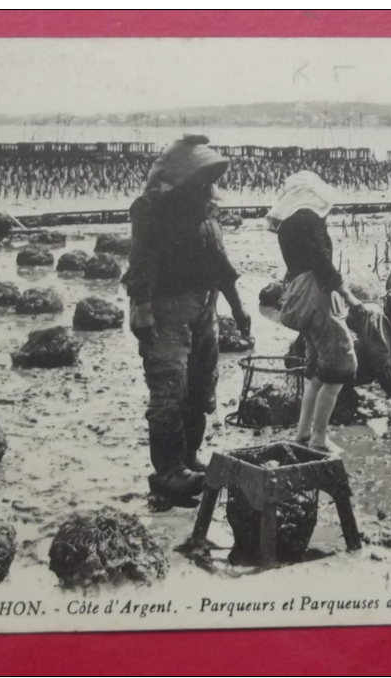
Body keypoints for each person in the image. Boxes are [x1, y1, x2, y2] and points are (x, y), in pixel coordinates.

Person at [123, 134, 251, 509]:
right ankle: (166, 472)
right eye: (200, 180)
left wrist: (237, 307)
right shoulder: (151, 208)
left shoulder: (204, 211)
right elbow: (141, 258)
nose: (207, 188)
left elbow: (220, 263)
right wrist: (140, 305)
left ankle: (188, 457)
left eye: (208, 182)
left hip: (203, 305)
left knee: (200, 384)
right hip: (167, 307)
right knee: (168, 389)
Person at [269, 171, 362, 452]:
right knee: (341, 365)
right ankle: (319, 438)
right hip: (318, 293)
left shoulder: (286, 224)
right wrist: (347, 293)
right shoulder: (309, 218)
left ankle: (303, 433)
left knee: (316, 369)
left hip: (299, 292)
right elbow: (322, 260)